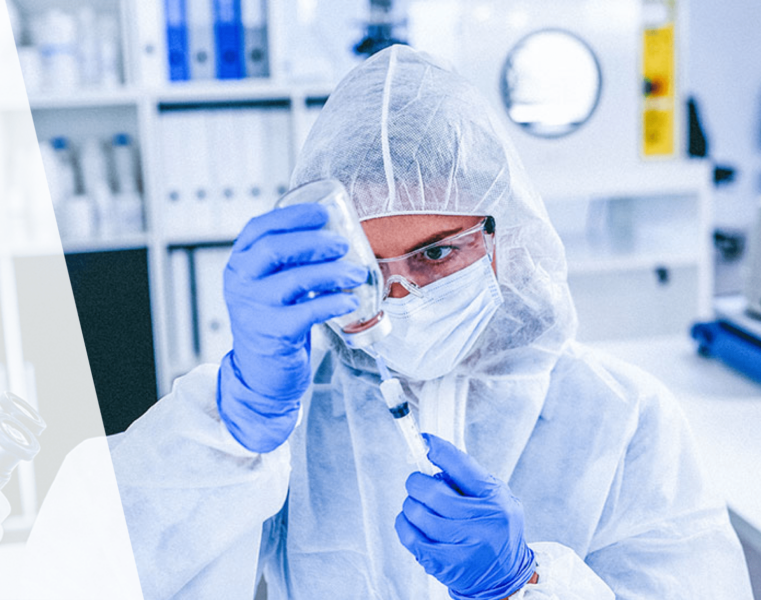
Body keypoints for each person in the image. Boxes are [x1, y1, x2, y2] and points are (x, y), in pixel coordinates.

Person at [24, 45, 753, 599]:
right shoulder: (282, 422)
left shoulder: (623, 420)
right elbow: (79, 575)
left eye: (435, 253)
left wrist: (525, 584)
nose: (400, 295)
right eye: (368, 269)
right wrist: (234, 432)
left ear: (505, 234)